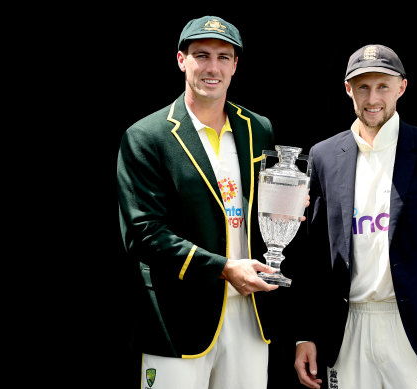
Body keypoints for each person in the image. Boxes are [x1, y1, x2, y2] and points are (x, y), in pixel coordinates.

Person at [290, 44, 417, 389]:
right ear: (348, 89)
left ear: (401, 87)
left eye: (382, 86)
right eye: (363, 87)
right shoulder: (324, 156)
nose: (372, 98)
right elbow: (314, 258)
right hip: (348, 328)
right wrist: (306, 333)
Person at [117, 15, 281, 389]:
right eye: (202, 55)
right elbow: (143, 234)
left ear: (236, 65)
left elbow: (264, 206)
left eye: (224, 57)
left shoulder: (258, 128)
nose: (213, 67)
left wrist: (287, 213)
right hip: (177, 320)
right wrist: (224, 268)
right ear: (181, 60)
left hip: (250, 315)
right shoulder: (147, 136)